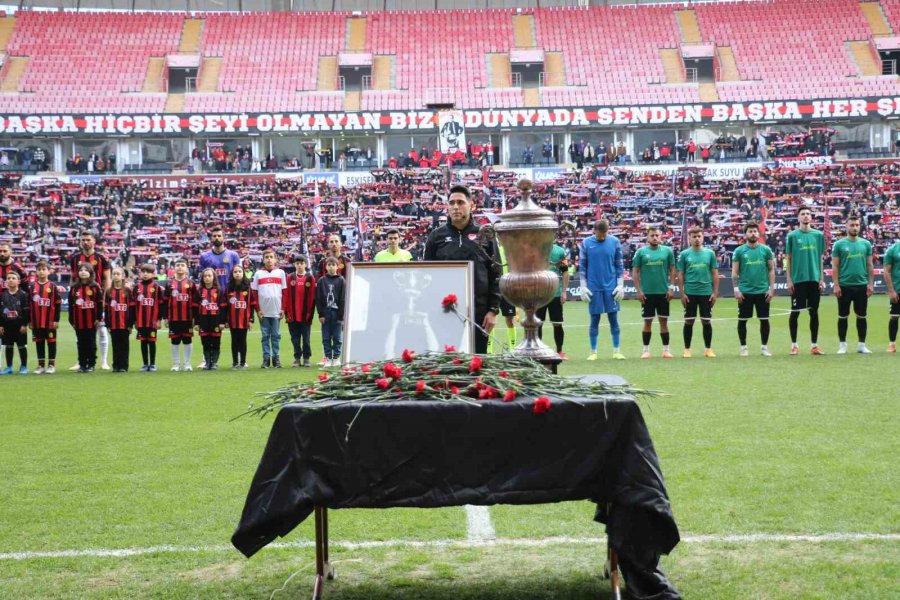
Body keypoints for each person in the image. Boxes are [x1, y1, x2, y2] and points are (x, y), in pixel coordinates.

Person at [423, 184, 501, 354]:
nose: (455, 207)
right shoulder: (436, 237)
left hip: (478, 313)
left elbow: (496, 273)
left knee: (476, 362)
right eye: (451, 203)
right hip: (444, 311)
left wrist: (493, 310)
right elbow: (426, 275)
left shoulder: (485, 234)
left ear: (471, 205)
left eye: (460, 202)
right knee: (447, 361)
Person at [580, 219, 625, 360]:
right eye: (601, 233)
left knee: (613, 318)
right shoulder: (586, 243)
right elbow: (582, 266)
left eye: (605, 233)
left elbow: (619, 265)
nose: (603, 236)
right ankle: (593, 352)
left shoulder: (615, 242)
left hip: (611, 286)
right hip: (594, 287)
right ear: (595, 230)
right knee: (594, 319)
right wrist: (583, 286)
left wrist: (620, 284)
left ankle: (617, 351)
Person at [67, 230, 112, 371]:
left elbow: (107, 279)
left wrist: (106, 297)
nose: (85, 242)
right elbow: (73, 278)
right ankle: (81, 361)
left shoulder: (102, 258)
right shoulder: (75, 258)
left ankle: (103, 361)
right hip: (81, 298)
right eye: (83, 240)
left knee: (102, 331)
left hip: (97, 299)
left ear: (94, 241)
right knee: (81, 331)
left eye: (88, 239)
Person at [786, 205, 826, 355]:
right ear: (798, 217)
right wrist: (789, 280)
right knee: (795, 312)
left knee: (814, 312)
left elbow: (820, 259)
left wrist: (821, 278)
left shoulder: (818, 235)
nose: (806, 216)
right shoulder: (792, 236)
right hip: (798, 280)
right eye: (803, 214)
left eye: (808, 214)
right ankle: (794, 345)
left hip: (814, 280)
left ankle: (814, 346)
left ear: (811, 217)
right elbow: (788, 259)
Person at [832, 214, 874, 354]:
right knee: (843, 316)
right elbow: (835, 266)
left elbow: (869, 265)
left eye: (857, 225)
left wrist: (871, 284)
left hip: (861, 285)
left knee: (861, 316)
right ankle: (842, 345)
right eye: (852, 225)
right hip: (844, 286)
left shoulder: (866, 244)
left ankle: (861, 345)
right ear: (846, 226)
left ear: (860, 226)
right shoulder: (839, 244)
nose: (854, 227)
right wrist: (836, 285)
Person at [732, 222, 776, 357]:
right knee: (742, 320)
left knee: (764, 320)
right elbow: (734, 272)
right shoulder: (739, 251)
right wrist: (736, 289)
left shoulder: (766, 250)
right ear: (745, 234)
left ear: (759, 234)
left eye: (755, 231)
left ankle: (764, 348)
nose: (753, 234)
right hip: (745, 292)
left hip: (762, 291)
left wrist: (771, 288)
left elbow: (771, 270)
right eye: (750, 231)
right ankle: (744, 348)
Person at [632, 226, 676, 359]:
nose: (655, 238)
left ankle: (666, 350)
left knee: (664, 322)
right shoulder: (641, 252)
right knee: (647, 322)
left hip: (663, 292)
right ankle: (646, 350)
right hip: (647, 293)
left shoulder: (667, 251)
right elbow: (635, 272)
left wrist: (671, 287)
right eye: (652, 235)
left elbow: (672, 269)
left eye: (657, 235)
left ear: (661, 236)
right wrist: (639, 290)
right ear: (647, 237)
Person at [677, 226, 719, 358]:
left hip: (706, 292)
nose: (697, 239)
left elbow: (715, 274)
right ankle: (687, 349)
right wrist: (682, 293)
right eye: (694, 237)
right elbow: (681, 274)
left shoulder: (710, 254)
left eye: (699, 236)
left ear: (703, 237)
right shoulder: (684, 254)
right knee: (689, 321)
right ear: (689, 238)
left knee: (706, 321)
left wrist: (715, 292)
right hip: (690, 293)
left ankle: (708, 349)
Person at [252, 248, 287, 368]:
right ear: (263, 260)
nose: (269, 259)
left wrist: (283, 309)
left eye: (271, 257)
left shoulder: (281, 273)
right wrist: (258, 310)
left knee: (276, 335)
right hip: (264, 312)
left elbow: (284, 292)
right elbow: (255, 294)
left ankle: (276, 358)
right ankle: (266, 358)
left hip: (276, 311)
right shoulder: (258, 274)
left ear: (275, 259)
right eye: (266, 257)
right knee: (265, 336)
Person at [536, 239, 570, 359]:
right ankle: (537, 352)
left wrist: (564, 291)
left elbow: (565, 272)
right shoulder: (536, 250)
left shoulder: (560, 251)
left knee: (557, 324)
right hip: (539, 295)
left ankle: (560, 351)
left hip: (555, 294)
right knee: (537, 324)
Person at [68, 263, 103, 373]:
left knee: (91, 342)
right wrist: (71, 320)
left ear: (90, 273)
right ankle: (82, 364)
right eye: (81, 270)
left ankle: (91, 364)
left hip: (91, 321)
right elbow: (70, 305)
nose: (83, 272)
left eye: (86, 270)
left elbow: (100, 303)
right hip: (78, 321)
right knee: (80, 343)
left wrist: (98, 318)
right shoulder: (74, 288)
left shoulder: (95, 287)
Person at [29, 261, 62, 374]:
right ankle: (41, 365)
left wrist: (56, 320)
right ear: (36, 272)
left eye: (44, 269)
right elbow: (29, 305)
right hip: (37, 321)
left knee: (51, 342)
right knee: (39, 342)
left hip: (49, 321)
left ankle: (51, 365)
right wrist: (29, 320)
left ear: (49, 271)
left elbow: (57, 304)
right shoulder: (32, 286)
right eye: (39, 269)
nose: (41, 271)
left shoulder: (53, 286)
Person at [163, 257, 195, 372]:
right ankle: (176, 364)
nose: (180, 267)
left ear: (187, 268)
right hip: (173, 318)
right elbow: (165, 301)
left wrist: (195, 318)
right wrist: (165, 317)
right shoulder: (169, 284)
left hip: (187, 318)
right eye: (178, 265)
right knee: (174, 340)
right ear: (174, 268)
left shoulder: (191, 284)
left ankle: (187, 363)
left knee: (187, 340)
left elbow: (195, 302)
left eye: (182, 265)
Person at [285, 255, 316, 367]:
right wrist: (287, 312)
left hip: (305, 315)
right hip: (292, 315)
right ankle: (297, 358)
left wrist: (310, 314)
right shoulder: (290, 277)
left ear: (305, 264)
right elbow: (286, 295)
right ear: (294, 265)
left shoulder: (310, 278)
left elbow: (312, 297)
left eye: (301, 263)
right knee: (295, 339)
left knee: (306, 339)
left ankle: (307, 358)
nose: (299, 265)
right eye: (297, 263)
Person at [194, 267, 227, 370]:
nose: (207, 278)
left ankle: (214, 363)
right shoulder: (199, 291)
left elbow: (223, 307)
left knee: (216, 342)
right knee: (205, 342)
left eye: (209, 276)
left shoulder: (219, 290)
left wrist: (222, 322)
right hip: (203, 321)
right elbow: (195, 308)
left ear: (214, 277)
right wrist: (196, 323)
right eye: (205, 276)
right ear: (202, 278)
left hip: (216, 321)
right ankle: (208, 362)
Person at [316, 256, 345, 368]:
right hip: (326, 313)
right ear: (326, 267)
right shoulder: (322, 281)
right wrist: (321, 314)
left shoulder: (341, 280)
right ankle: (328, 358)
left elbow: (343, 299)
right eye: (329, 265)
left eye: (333, 265)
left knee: (337, 337)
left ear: (337, 266)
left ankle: (336, 358)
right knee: (326, 337)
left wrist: (341, 315)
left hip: (337, 313)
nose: (331, 267)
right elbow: (318, 299)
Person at [134, 263, 164, 372]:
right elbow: (133, 305)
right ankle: (145, 364)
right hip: (141, 321)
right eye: (143, 272)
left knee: (152, 342)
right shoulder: (136, 287)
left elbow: (161, 304)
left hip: (152, 321)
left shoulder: (156, 287)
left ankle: (152, 364)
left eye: (148, 272)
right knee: (143, 342)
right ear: (140, 273)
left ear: (153, 274)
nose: (145, 274)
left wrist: (159, 320)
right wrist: (135, 321)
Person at [225, 264, 256, 369]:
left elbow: (252, 305)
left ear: (243, 273)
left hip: (244, 320)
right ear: (232, 274)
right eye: (235, 272)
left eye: (239, 271)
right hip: (232, 320)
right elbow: (225, 306)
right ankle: (235, 362)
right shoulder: (229, 288)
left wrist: (251, 319)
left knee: (243, 341)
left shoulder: (248, 288)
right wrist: (225, 320)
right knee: (234, 341)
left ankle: (243, 362)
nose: (237, 274)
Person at [104, 267, 134, 373]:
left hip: (124, 324)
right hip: (113, 324)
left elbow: (131, 309)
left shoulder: (127, 291)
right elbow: (106, 309)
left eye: (118, 274)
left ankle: (124, 366)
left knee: (124, 345)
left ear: (123, 276)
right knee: (115, 345)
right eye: (114, 274)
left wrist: (130, 324)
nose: (116, 276)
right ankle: (116, 365)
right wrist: (107, 324)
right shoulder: (109, 291)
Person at [0, 271, 30, 375]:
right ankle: (9, 367)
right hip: (7, 325)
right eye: (8, 278)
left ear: (18, 281)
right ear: (6, 281)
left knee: (22, 346)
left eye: (13, 278)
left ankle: (24, 366)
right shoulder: (3, 295)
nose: (11, 280)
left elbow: (26, 311)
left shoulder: (23, 295)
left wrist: (24, 324)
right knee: (8, 346)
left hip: (19, 325)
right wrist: (0, 325)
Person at [199, 225, 242, 293]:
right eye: (214, 236)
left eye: (219, 236)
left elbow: (239, 277)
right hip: (212, 295)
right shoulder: (204, 256)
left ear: (224, 238)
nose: (217, 238)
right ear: (211, 238)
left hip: (229, 293)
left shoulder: (233, 255)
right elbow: (201, 279)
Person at [884, 238, 900, 353]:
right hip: (897, 289)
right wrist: (891, 291)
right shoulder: (892, 250)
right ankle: (892, 344)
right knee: (894, 316)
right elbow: (886, 271)